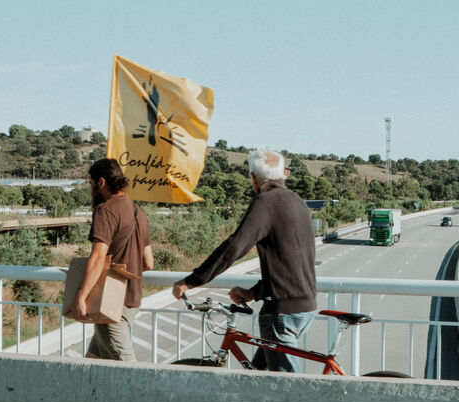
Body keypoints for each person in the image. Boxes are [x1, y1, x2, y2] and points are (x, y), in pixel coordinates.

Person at [171, 147, 316, 372]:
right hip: (304, 306)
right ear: (283, 173)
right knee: (257, 377)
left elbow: (234, 247)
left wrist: (191, 281)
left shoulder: (266, 202)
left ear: (253, 177)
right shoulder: (297, 201)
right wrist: (254, 293)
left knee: (285, 387)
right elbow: (291, 263)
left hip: (282, 313)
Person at [78, 157, 154, 361]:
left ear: (101, 182)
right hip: (131, 300)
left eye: (91, 184)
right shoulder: (138, 212)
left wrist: (81, 297)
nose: (91, 190)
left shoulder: (105, 210)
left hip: (110, 304)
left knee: (127, 369)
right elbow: (148, 263)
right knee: (93, 360)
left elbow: (98, 257)